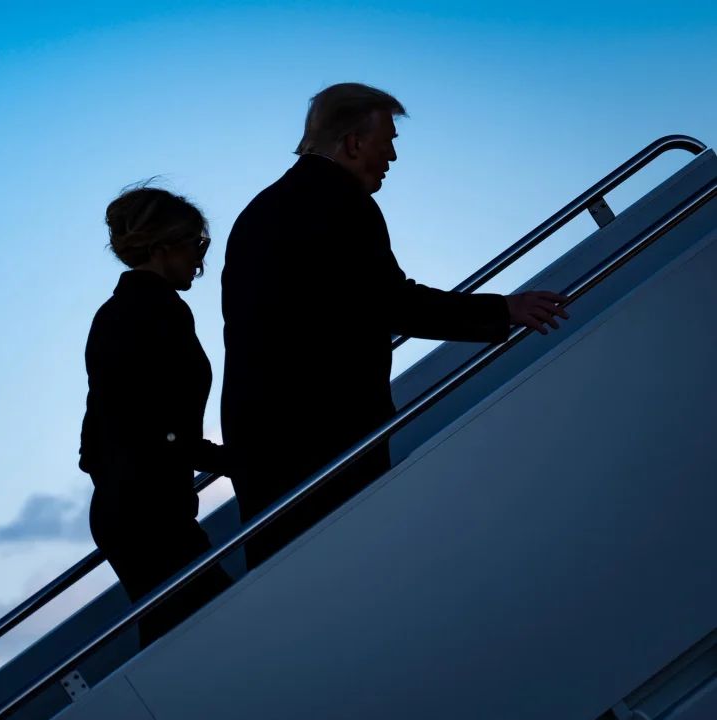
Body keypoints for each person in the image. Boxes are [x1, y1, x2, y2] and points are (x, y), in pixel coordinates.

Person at [220, 83, 569, 569]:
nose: (393, 156)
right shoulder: (341, 201)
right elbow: (390, 301)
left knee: (287, 583)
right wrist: (503, 311)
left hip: (260, 439)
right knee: (346, 575)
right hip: (325, 439)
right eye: (388, 140)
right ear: (353, 143)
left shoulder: (258, 212)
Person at [80, 185, 232, 647]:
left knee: (185, 633)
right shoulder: (153, 311)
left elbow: (101, 438)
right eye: (196, 244)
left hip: (134, 506)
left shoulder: (119, 312)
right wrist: (230, 459)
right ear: (163, 246)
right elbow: (152, 428)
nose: (201, 259)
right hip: (147, 512)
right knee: (206, 628)